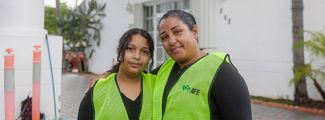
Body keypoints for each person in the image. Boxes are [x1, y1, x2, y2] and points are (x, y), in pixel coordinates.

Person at [152, 10, 252, 120]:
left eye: (177, 32)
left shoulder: (223, 73)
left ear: (194, 31)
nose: (171, 41)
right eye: (164, 37)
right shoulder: (165, 68)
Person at [77, 28, 156, 120]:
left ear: (150, 57)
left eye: (145, 52)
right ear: (120, 51)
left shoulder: (156, 85)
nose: (137, 56)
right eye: (130, 49)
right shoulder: (98, 89)